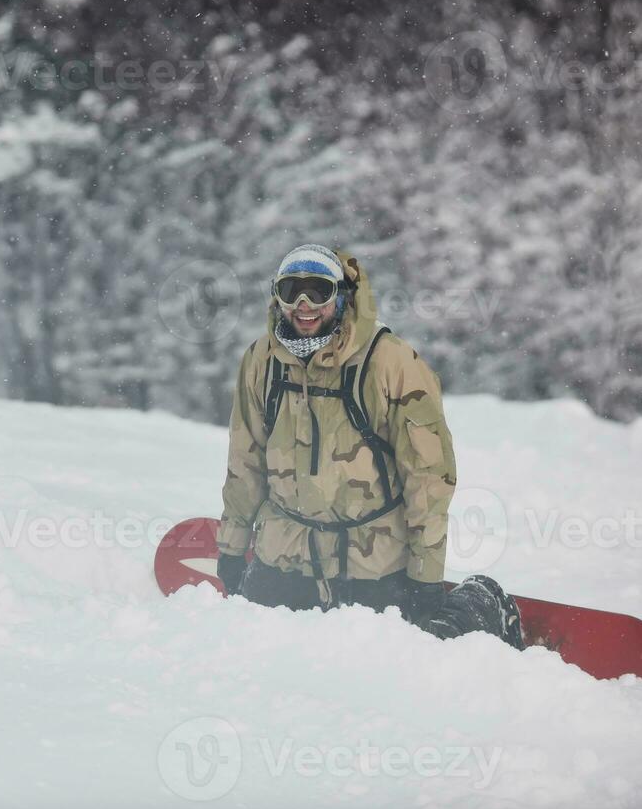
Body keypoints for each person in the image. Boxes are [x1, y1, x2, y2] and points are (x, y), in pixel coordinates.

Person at [217, 243, 523, 647]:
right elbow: (246, 462)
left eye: (318, 291)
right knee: (249, 641)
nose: (304, 304)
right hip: (286, 552)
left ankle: (484, 601)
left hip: (372, 560)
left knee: (419, 650)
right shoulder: (261, 361)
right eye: (291, 291)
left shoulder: (391, 362)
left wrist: (425, 576)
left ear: (342, 294)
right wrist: (233, 548)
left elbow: (428, 477)